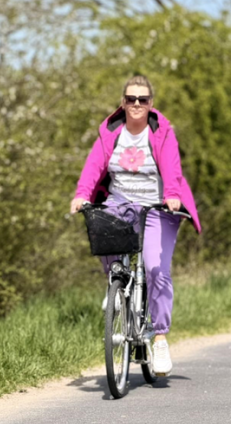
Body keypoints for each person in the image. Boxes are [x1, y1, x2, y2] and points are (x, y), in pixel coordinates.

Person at [70, 74, 201, 376]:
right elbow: (94, 166)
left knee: (156, 268)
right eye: (131, 99)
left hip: (157, 207)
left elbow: (172, 167)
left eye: (143, 99)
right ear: (123, 103)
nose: (137, 104)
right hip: (120, 203)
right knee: (101, 226)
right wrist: (81, 195)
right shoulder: (111, 130)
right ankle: (116, 285)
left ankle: (160, 339)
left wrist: (171, 196)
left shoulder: (161, 131)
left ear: (151, 104)